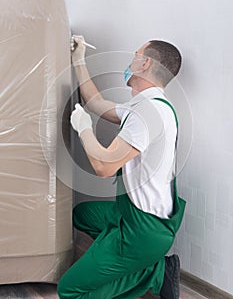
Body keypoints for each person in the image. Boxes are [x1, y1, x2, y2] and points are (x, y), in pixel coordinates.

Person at [57, 36, 186, 299]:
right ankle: (140, 263)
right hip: (133, 216)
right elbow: (95, 103)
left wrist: (83, 128)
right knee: (82, 214)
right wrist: (78, 60)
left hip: (143, 231)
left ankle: (152, 272)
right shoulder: (146, 105)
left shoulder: (147, 113)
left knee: (70, 290)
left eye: (134, 55)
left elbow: (103, 166)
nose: (130, 61)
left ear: (144, 63)